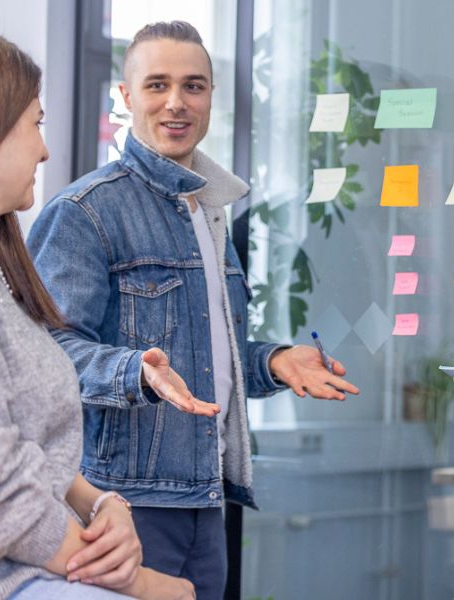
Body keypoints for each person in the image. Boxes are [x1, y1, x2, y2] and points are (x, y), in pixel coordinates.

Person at [27, 20, 359, 599]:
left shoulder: (206, 212)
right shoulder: (84, 211)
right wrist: (137, 372)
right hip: (123, 504)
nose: (176, 103)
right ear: (126, 96)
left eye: (194, 86)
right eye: (156, 85)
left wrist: (274, 361)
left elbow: (208, 358)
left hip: (207, 499)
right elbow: (43, 354)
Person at [0, 24, 194, 600]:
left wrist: (104, 503)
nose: (45, 149)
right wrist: (137, 581)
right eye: (35, 124)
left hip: (26, 565)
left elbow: (22, 442)